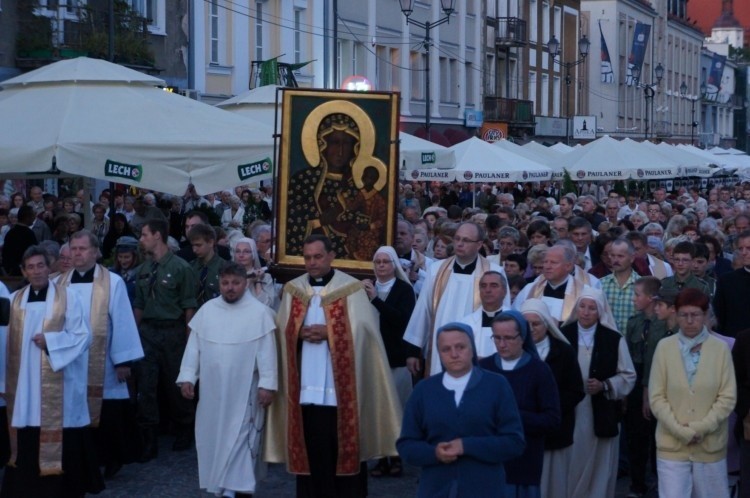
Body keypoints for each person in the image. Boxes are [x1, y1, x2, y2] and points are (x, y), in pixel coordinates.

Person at [264, 234, 401, 498]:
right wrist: (297, 333)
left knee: (344, 455)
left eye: (317, 257)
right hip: (304, 392)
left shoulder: (351, 289)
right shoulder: (293, 290)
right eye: (307, 258)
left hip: (341, 395)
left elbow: (365, 334)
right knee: (310, 454)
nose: (312, 263)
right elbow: (281, 333)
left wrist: (331, 333)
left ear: (330, 256)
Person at [0, 246, 104, 496]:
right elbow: (3, 341)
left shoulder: (68, 298)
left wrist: (52, 343)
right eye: (30, 267)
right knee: (27, 430)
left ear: (50, 267)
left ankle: (62, 488)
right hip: (24, 383)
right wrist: (4, 383)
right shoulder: (14, 301)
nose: (36, 271)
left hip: (60, 381)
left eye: (40, 266)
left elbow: (83, 336)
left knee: (61, 432)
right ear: (24, 272)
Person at [177, 263, 277, 497]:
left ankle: (236, 489)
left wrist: (267, 384)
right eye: (225, 283)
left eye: (235, 283)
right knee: (214, 435)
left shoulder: (259, 313)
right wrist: (188, 377)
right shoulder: (208, 311)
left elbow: (267, 352)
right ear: (219, 283)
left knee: (241, 436)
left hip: (246, 390)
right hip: (213, 389)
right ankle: (222, 485)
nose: (230, 288)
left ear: (245, 283)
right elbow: (194, 349)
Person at [397, 322, 525, 498]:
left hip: (485, 489)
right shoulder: (424, 391)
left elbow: (514, 442)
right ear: (439, 354)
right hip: (436, 488)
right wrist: (434, 453)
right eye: (446, 349)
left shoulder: (496, 386)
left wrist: (466, 446)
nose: (454, 354)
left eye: (460, 347)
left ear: (472, 348)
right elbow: (406, 445)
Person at [56, 230, 144, 479]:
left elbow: (124, 321)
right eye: (74, 249)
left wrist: (123, 360)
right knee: (76, 409)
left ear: (95, 252)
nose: (78, 253)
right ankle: (82, 459)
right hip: (72, 363)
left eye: (83, 249)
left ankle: (112, 457)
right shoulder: (59, 283)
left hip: (104, 361)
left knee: (108, 412)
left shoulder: (112, 281)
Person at [649, 288, 736, 498]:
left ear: (706, 316)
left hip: (709, 445)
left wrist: (701, 427)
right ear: (676, 315)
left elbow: (727, 397)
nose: (689, 321)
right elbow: (657, 397)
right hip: (672, 445)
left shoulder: (720, 348)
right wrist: (680, 430)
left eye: (695, 315)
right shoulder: (664, 347)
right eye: (683, 315)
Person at [404, 222, 510, 377]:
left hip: (479, 351)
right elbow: (423, 309)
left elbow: (502, 316)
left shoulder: (494, 273)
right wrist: (413, 350)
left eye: (466, 240)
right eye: (457, 239)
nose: (459, 244)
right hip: (440, 349)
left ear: (479, 244)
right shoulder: (436, 270)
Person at [561, 286, 636, 498]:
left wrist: (604, 385)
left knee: (599, 464)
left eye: (592, 308)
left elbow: (628, 375)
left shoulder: (613, 339)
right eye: (582, 307)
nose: (585, 312)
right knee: (571, 460)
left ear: (600, 311)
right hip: (571, 410)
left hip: (601, 411)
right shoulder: (563, 336)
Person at [133, 219, 198, 461]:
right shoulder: (144, 270)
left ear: (157, 236)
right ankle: (148, 437)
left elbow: (189, 305)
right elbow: (139, 304)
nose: (141, 239)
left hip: (173, 331)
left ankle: (184, 426)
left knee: (176, 383)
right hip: (148, 332)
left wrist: (189, 339)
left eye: (144, 234)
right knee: (146, 386)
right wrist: (132, 335)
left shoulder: (182, 268)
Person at [479, 311, 561, 498]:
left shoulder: (539, 371)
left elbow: (552, 419)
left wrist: (513, 416)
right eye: (497, 338)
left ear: (522, 337)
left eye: (508, 338)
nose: (501, 344)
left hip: (524, 460)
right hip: (490, 459)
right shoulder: (485, 369)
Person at [362, 246, 418, 478]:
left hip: (396, 357)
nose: (381, 266)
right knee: (376, 410)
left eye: (386, 261)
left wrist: (376, 300)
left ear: (394, 265)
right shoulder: (365, 289)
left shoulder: (404, 290)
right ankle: (380, 457)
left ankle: (395, 457)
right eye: (378, 262)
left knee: (396, 410)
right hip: (373, 357)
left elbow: (403, 321)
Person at [286, 113, 370, 258]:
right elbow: (293, 224)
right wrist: (318, 222)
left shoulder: (358, 184)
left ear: (355, 147)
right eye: (335, 143)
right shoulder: (303, 180)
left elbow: (368, 221)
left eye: (347, 144)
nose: (340, 151)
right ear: (322, 144)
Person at [623, 276, 666, 498]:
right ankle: (637, 484)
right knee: (636, 436)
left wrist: (649, 392)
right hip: (636, 379)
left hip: (658, 381)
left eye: (638, 295)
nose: (634, 299)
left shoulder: (664, 325)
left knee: (658, 437)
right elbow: (629, 356)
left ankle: (661, 482)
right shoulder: (634, 322)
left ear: (651, 298)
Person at [513, 243, 599, 323]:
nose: (547, 266)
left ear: (568, 266)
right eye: (545, 262)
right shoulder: (530, 289)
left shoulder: (583, 292)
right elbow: (517, 318)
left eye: (553, 262)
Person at [457, 271, 509, 359]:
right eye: (483, 286)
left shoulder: (515, 322)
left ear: (504, 291)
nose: (488, 290)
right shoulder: (466, 323)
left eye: (494, 285)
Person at [713, 230, 750, 337]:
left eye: (748, 248)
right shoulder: (726, 281)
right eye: (740, 248)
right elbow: (719, 317)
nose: (743, 252)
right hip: (734, 344)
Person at [187, 224, 227, 309]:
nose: (194, 250)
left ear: (210, 242)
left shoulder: (225, 268)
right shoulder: (190, 267)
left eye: (198, 245)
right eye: (193, 245)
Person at [231, 237, 277, 308]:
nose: (241, 255)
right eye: (238, 251)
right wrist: (249, 281)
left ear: (253, 255)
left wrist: (258, 281)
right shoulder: (229, 277)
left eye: (246, 251)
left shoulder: (266, 277)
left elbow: (266, 305)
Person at [2, 205, 37, 276]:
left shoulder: (10, 233)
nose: (34, 218)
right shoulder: (29, 234)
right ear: (27, 217)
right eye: (33, 216)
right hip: (25, 271)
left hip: (12, 271)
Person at [109, 235, 141, 304]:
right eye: (120, 257)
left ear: (135, 257)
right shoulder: (111, 274)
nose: (123, 261)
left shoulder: (141, 275)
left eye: (127, 257)